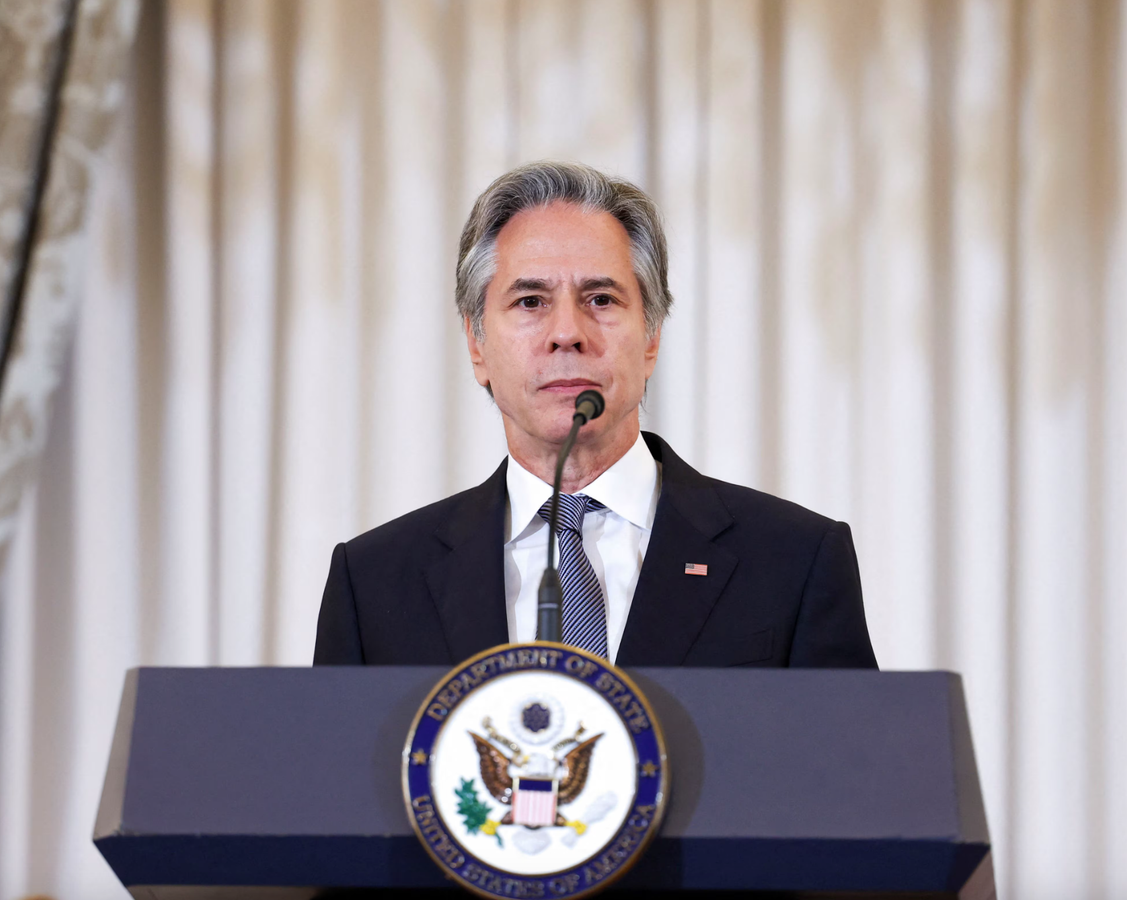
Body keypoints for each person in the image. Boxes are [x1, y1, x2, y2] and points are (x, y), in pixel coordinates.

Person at [314, 161, 877, 669]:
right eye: (530, 302)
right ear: (476, 343)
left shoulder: (794, 561)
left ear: (652, 336)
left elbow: (849, 752)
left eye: (601, 299)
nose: (567, 333)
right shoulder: (374, 584)